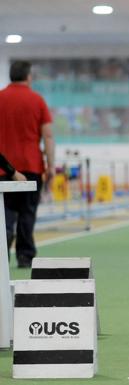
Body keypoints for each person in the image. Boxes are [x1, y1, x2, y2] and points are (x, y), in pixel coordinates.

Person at [0, 60, 55, 268]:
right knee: (27, 212)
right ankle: (25, 255)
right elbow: (48, 136)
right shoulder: (37, 100)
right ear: (28, 77)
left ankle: (2, 249)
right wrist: (51, 166)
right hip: (31, 166)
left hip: (3, 168)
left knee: (4, 212)